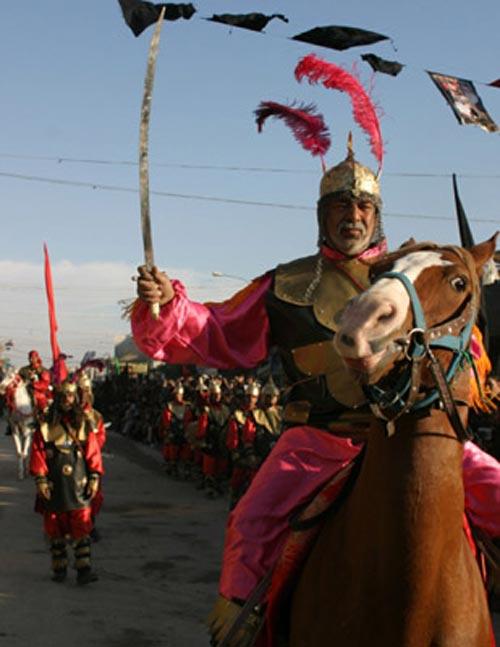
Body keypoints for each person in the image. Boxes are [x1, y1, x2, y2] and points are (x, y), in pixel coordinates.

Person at [131, 138, 500, 643]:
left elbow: (463, 345)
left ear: (377, 215)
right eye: (341, 205)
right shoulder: (288, 282)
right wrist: (169, 306)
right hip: (317, 442)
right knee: (252, 521)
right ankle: (243, 628)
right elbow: (214, 328)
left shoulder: (413, 271)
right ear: (322, 215)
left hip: (416, 436)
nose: (354, 215)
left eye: (365, 205)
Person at [29, 380, 103, 585]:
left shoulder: (84, 423)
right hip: (55, 484)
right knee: (55, 528)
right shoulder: (46, 426)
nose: (67, 400)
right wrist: (41, 479)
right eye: (63, 396)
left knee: (81, 526)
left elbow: (93, 453)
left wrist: (95, 476)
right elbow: (38, 453)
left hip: (78, 483)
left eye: (70, 396)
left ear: (75, 397)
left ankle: (84, 570)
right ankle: (59, 568)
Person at [18, 350, 52, 416]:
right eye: (30, 358)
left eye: (33, 358)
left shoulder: (43, 370)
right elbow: (18, 379)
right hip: (24, 392)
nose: (31, 359)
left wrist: (33, 384)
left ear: (37, 358)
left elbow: (45, 384)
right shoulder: (23, 370)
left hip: (39, 393)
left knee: (44, 409)